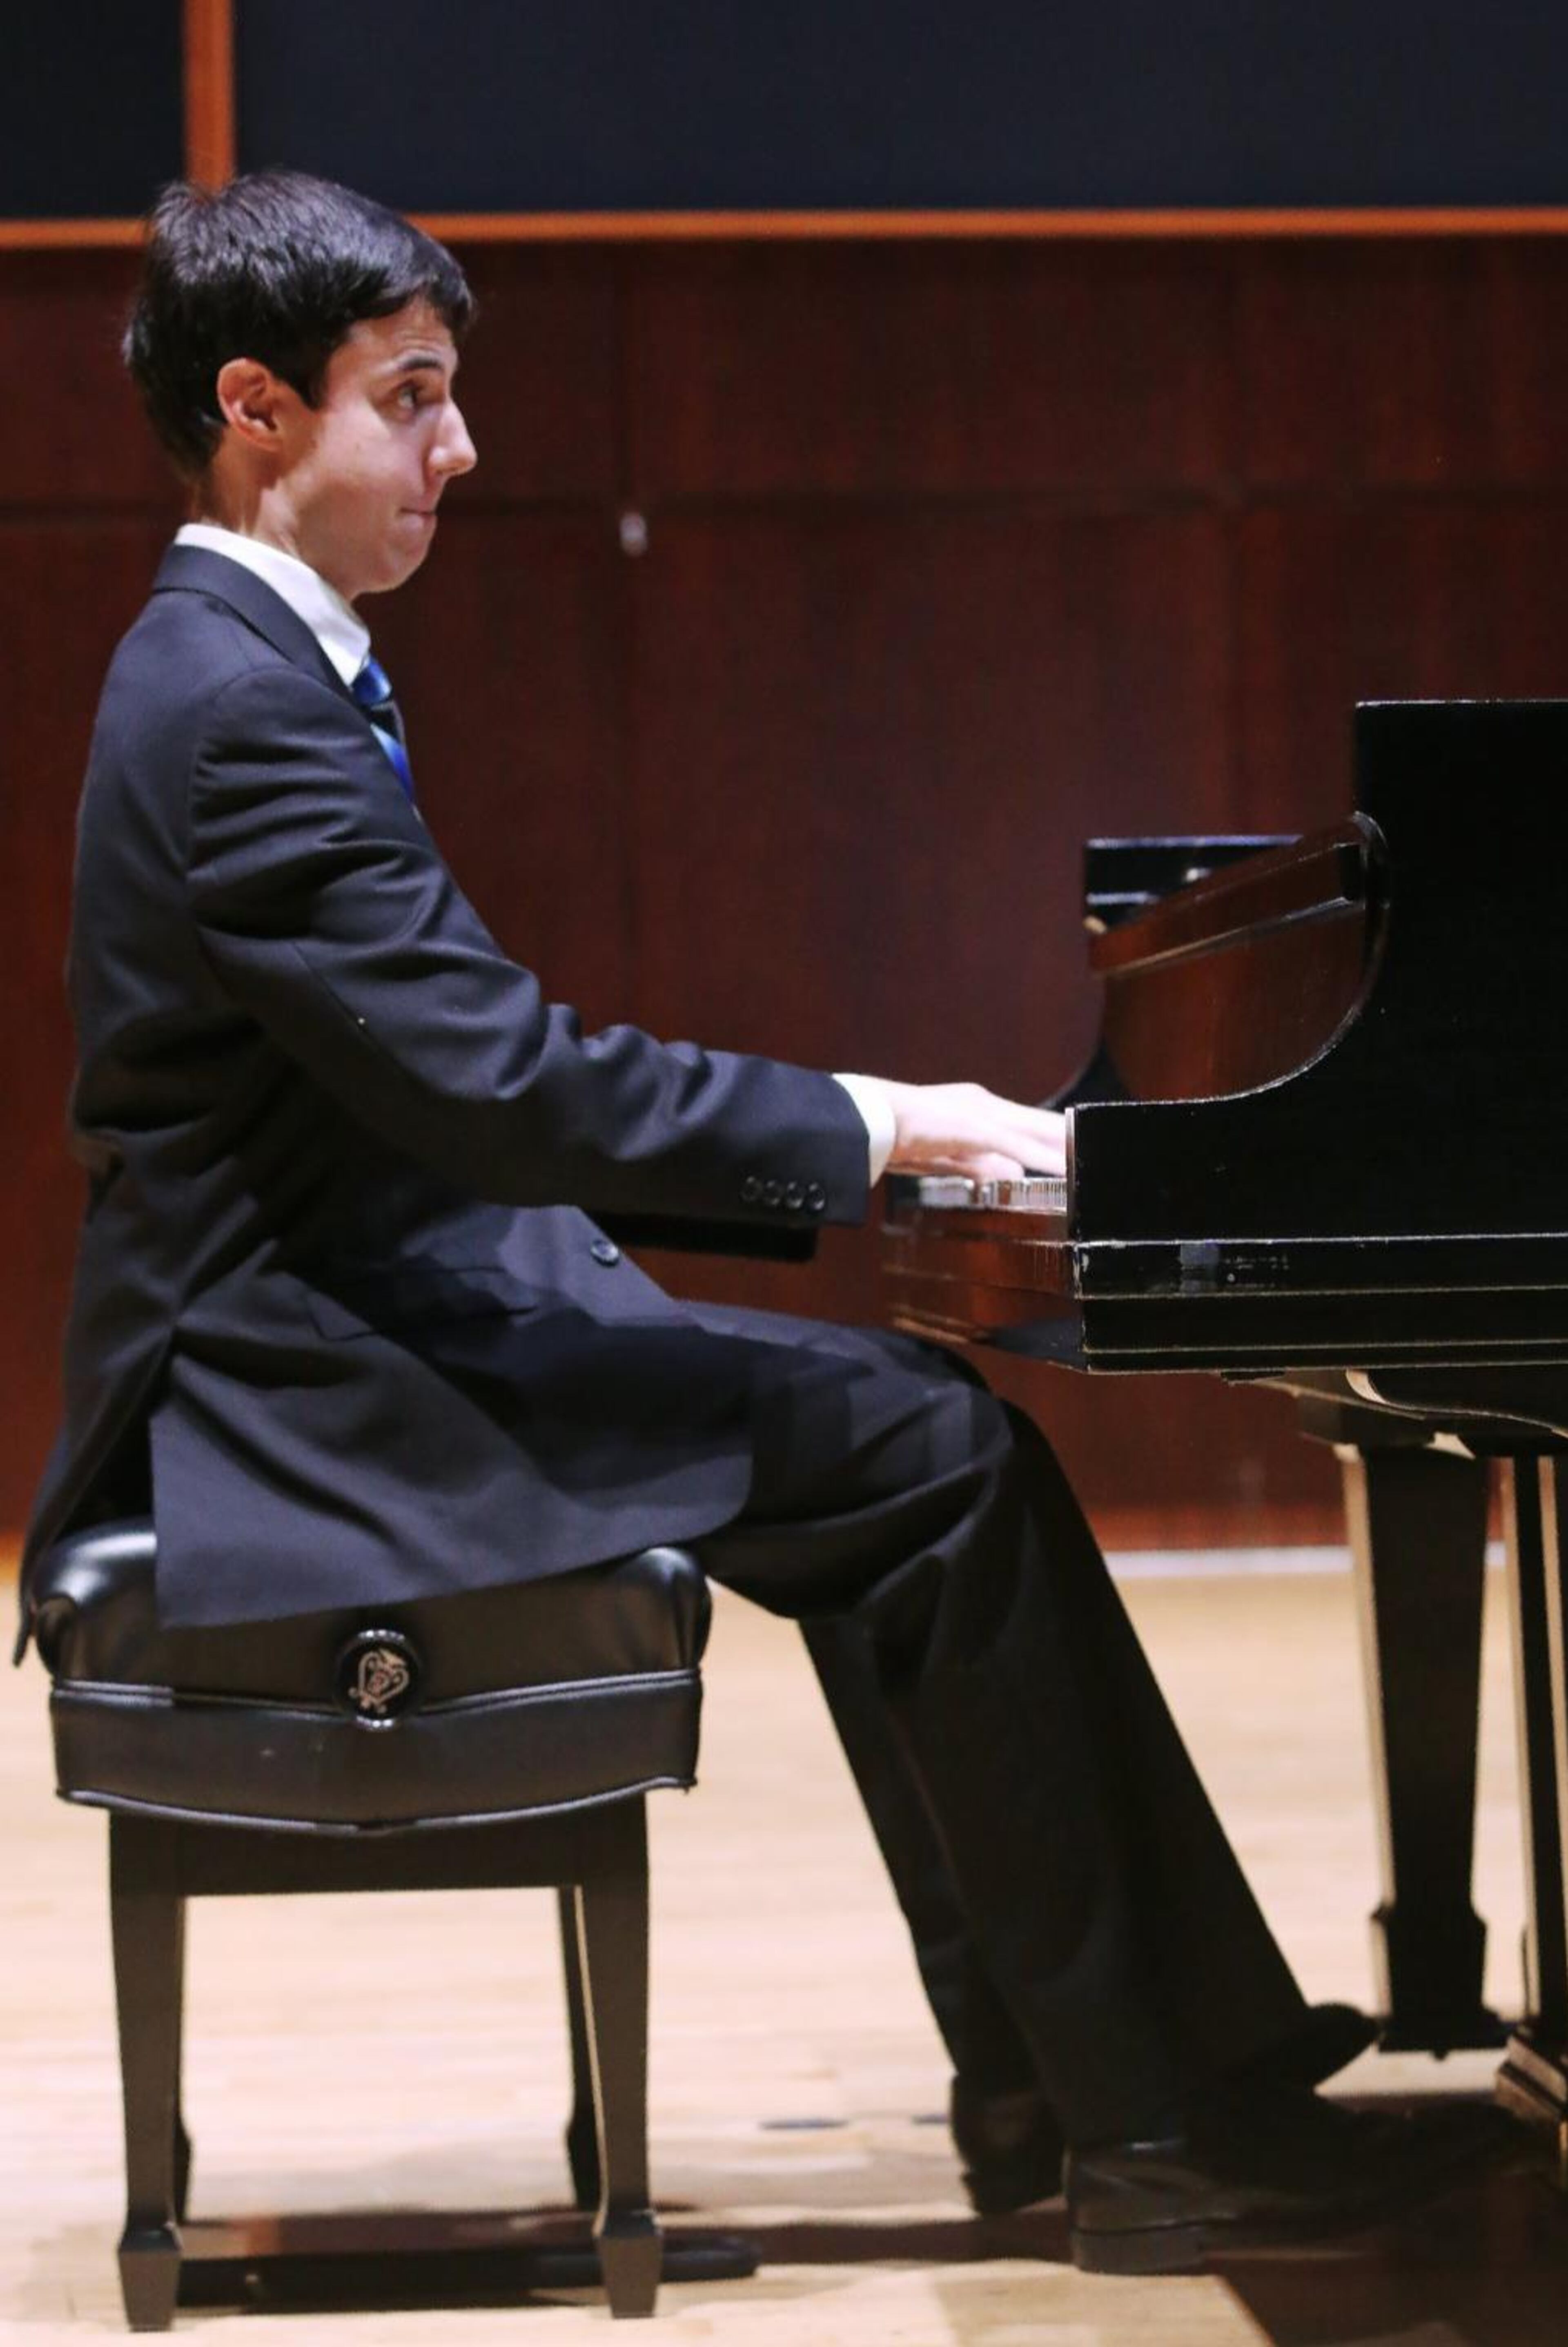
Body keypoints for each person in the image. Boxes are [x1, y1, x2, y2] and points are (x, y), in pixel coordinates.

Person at [18, 172, 1491, 2273]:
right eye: (410, 398)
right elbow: (511, 1081)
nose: (461, 448)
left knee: (907, 1442)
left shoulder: (234, 661)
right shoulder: (243, 702)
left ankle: (1070, 2085)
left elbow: (457, 1081)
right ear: (257, 408)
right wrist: (887, 1125)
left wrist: (852, 1151)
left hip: (342, 1322)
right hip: (294, 1393)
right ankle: (1168, 2122)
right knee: (939, 1459)